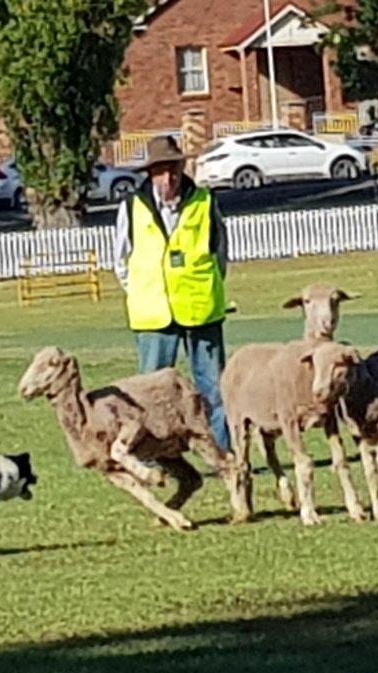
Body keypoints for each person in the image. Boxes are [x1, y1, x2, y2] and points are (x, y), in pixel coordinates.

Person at [113, 135, 231, 451]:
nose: (169, 179)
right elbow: (120, 261)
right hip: (153, 314)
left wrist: (206, 288)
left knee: (214, 390)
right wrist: (141, 291)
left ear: (182, 168)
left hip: (201, 309)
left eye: (173, 170)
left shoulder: (206, 202)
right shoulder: (131, 207)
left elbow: (220, 255)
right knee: (150, 392)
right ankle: (151, 454)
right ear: (150, 174)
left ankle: (223, 454)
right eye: (161, 171)